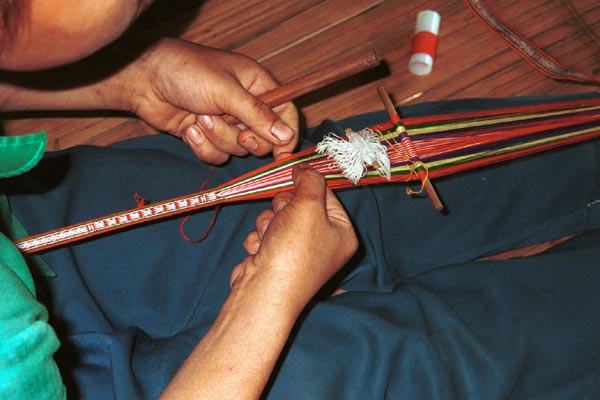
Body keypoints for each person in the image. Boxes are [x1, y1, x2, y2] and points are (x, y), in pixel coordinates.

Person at [2, 2, 600, 400]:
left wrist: (139, 75)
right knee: (413, 361)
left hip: (32, 226)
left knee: (360, 178)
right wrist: (264, 303)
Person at [1, 1, 357, 399]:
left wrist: (142, 78)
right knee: (373, 361)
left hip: (26, 214)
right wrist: (267, 293)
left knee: (366, 207)